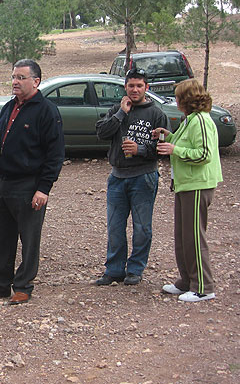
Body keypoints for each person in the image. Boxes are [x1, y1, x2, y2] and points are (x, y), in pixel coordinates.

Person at [0, 59, 64, 305]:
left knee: (29, 237)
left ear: (36, 81)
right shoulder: (10, 107)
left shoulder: (46, 111)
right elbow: (1, 138)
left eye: (21, 78)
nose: (15, 82)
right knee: (1, 236)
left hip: (29, 183)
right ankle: (0, 284)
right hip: (3, 181)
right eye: (14, 77)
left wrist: (43, 189)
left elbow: (55, 155)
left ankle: (24, 285)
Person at [94, 68, 170, 286]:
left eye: (139, 86)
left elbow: (164, 146)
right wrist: (120, 114)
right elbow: (101, 133)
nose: (135, 89)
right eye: (131, 85)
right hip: (117, 177)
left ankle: (135, 269)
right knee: (115, 226)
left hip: (143, 177)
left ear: (146, 88)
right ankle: (114, 269)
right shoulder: (118, 109)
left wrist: (141, 150)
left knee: (142, 227)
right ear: (125, 87)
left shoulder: (156, 114)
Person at [154, 79, 222, 302]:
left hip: (198, 185)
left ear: (187, 99)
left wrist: (175, 149)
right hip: (185, 185)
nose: (176, 101)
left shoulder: (201, 120)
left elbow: (203, 154)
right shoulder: (189, 120)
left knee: (194, 237)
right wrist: (169, 137)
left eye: (178, 97)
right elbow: (187, 146)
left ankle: (203, 286)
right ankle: (187, 281)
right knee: (182, 236)